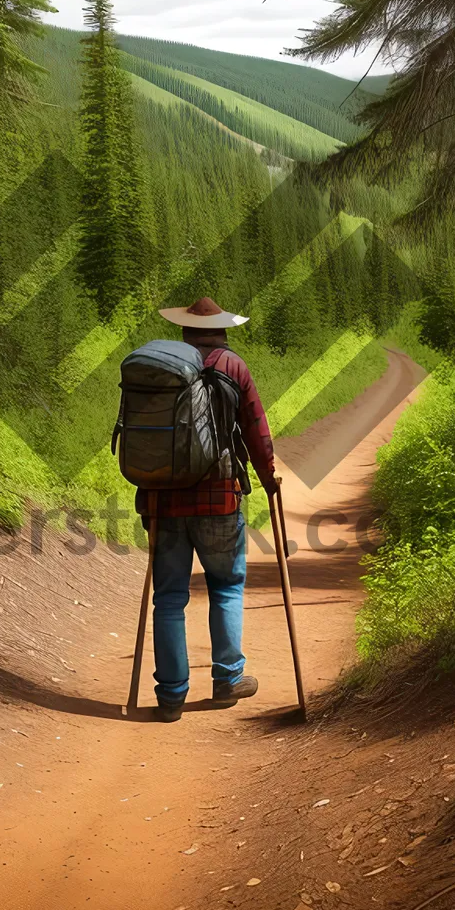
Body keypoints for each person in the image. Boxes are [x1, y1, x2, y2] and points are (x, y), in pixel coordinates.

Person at [140, 296, 278, 722]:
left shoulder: (158, 368)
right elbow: (255, 428)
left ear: (184, 330)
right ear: (221, 330)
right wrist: (269, 477)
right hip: (218, 497)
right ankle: (226, 679)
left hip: (163, 498)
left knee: (168, 598)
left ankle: (171, 695)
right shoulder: (233, 367)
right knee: (226, 586)